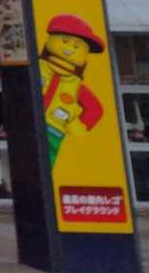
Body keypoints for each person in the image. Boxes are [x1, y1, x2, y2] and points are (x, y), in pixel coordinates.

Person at [39, 13, 105, 166]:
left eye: (77, 46)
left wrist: (73, 124)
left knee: (44, 165)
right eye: (65, 41)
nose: (69, 50)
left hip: (53, 133)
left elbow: (95, 110)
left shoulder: (76, 85)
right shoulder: (37, 68)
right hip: (25, 122)